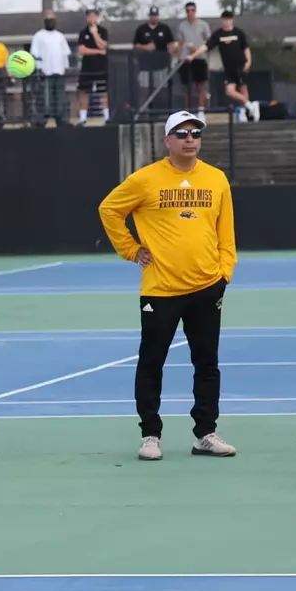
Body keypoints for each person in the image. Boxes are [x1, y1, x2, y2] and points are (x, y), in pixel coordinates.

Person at [98, 110, 237, 462]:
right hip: (160, 289)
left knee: (207, 363)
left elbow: (226, 232)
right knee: (151, 361)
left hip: (207, 286)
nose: (190, 139)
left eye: (195, 134)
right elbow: (109, 209)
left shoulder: (216, 179)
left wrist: (225, 273)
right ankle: (150, 435)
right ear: (167, 141)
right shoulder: (146, 179)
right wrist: (131, 250)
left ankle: (205, 434)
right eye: (182, 134)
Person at [187, 11, 259, 122]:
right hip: (228, 68)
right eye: (224, 20)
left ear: (232, 20)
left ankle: (244, 112)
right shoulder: (218, 34)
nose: (226, 22)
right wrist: (193, 55)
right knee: (229, 91)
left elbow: (246, 48)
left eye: (228, 19)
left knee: (242, 88)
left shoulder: (238, 33)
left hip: (240, 65)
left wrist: (248, 62)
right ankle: (250, 105)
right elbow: (206, 46)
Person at [29, 10, 72, 127]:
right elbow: (35, 54)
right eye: (48, 20)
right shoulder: (38, 36)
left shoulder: (60, 36)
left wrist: (66, 67)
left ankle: (62, 120)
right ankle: (41, 121)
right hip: (45, 72)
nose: (50, 22)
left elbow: (65, 53)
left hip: (59, 71)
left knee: (60, 97)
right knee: (45, 98)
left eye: (52, 19)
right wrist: (39, 68)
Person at [132, 6, 177, 112]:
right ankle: (143, 112)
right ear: (149, 16)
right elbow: (135, 45)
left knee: (162, 90)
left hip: (161, 66)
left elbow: (171, 43)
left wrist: (172, 51)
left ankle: (163, 112)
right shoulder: (141, 29)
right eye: (152, 15)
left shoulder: (164, 28)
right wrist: (146, 47)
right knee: (144, 90)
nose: (154, 18)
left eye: (155, 15)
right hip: (145, 67)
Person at [176, 2, 212, 120]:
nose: (190, 13)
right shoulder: (182, 26)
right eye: (188, 11)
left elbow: (209, 42)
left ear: (195, 11)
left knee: (200, 86)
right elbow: (180, 43)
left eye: (192, 10)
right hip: (186, 59)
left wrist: (197, 50)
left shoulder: (203, 25)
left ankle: (201, 111)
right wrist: (179, 58)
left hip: (200, 58)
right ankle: (187, 112)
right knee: (186, 87)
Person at [76, 8, 110, 125]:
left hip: (101, 66)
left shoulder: (103, 31)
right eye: (89, 16)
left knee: (103, 92)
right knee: (84, 92)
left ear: (97, 18)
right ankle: (83, 118)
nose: (91, 18)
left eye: (93, 16)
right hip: (87, 67)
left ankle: (107, 117)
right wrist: (98, 51)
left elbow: (103, 45)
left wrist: (95, 33)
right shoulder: (83, 32)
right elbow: (82, 50)